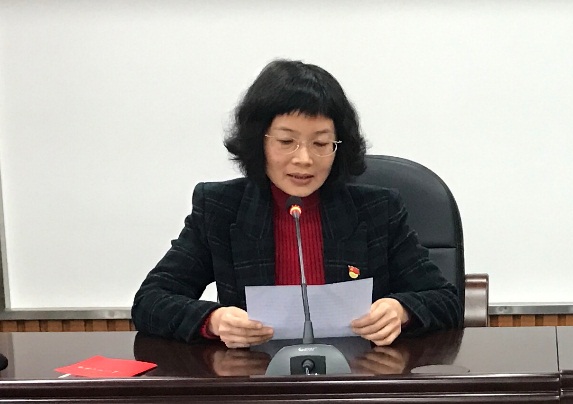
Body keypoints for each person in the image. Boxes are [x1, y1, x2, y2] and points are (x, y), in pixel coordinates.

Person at [131, 59, 463, 348]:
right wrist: (214, 320)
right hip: (256, 381)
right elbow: (150, 301)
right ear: (259, 142)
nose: (304, 159)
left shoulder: (377, 211)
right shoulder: (220, 209)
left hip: (354, 379)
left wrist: (400, 311)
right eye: (286, 141)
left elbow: (445, 300)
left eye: (320, 143)